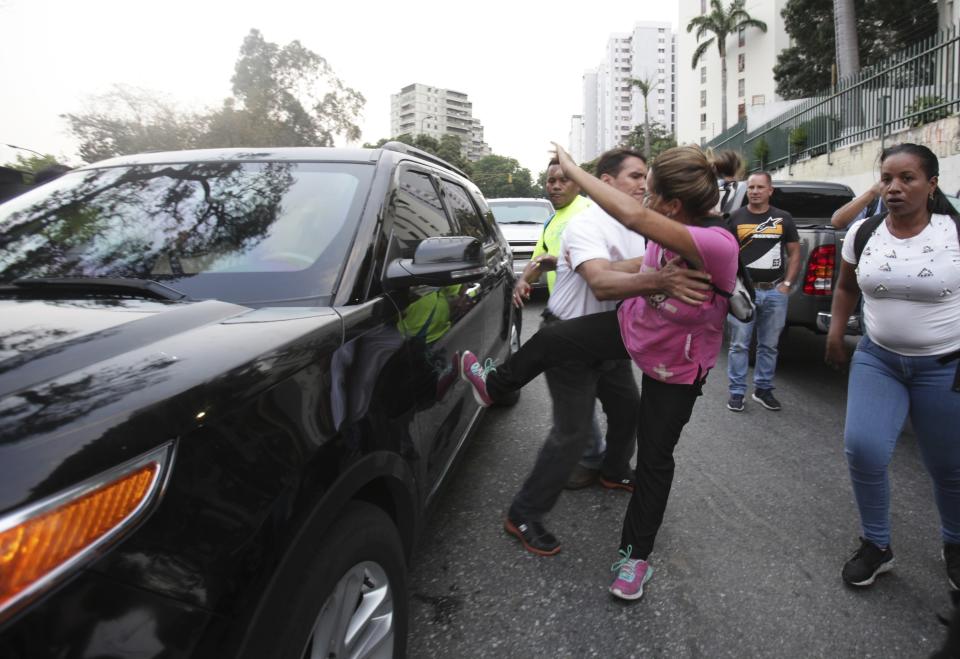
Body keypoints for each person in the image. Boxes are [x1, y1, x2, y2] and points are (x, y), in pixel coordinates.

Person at [460, 144, 738, 600]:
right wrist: (561, 261)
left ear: (669, 205)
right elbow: (637, 260)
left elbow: (634, 219)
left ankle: (634, 559)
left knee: (653, 460)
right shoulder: (669, 227)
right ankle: (493, 386)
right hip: (634, 331)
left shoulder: (713, 242)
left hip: (678, 365)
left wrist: (573, 170)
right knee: (553, 339)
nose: (641, 199)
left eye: (647, 191)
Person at [504, 148, 713, 556]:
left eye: (645, 177)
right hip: (568, 341)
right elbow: (601, 283)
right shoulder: (584, 225)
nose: (642, 184)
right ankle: (524, 512)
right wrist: (657, 277)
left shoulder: (642, 224)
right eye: (634, 176)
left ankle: (614, 470)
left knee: (628, 411)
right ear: (606, 181)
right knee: (572, 433)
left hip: (613, 339)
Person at [825, 143, 960, 588]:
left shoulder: (953, 233)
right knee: (863, 449)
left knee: (948, 465)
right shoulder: (864, 232)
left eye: (908, 178)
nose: (894, 188)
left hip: (945, 365)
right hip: (877, 359)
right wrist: (835, 332)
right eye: (887, 178)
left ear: (932, 184)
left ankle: (955, 543)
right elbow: (846, 288)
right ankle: (876, 545)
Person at [725, 172, 801, 412]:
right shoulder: (735, 217)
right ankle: (736, 393)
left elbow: (795, 253)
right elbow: (725, 252)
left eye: (760, 187)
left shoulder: (783, 218)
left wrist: (787, 284)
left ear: (770, 190)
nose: (755, 191)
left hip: (774, 292)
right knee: (739, 344)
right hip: (743, 294)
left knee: (769, 345)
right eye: (751, 187)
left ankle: (763, 389)